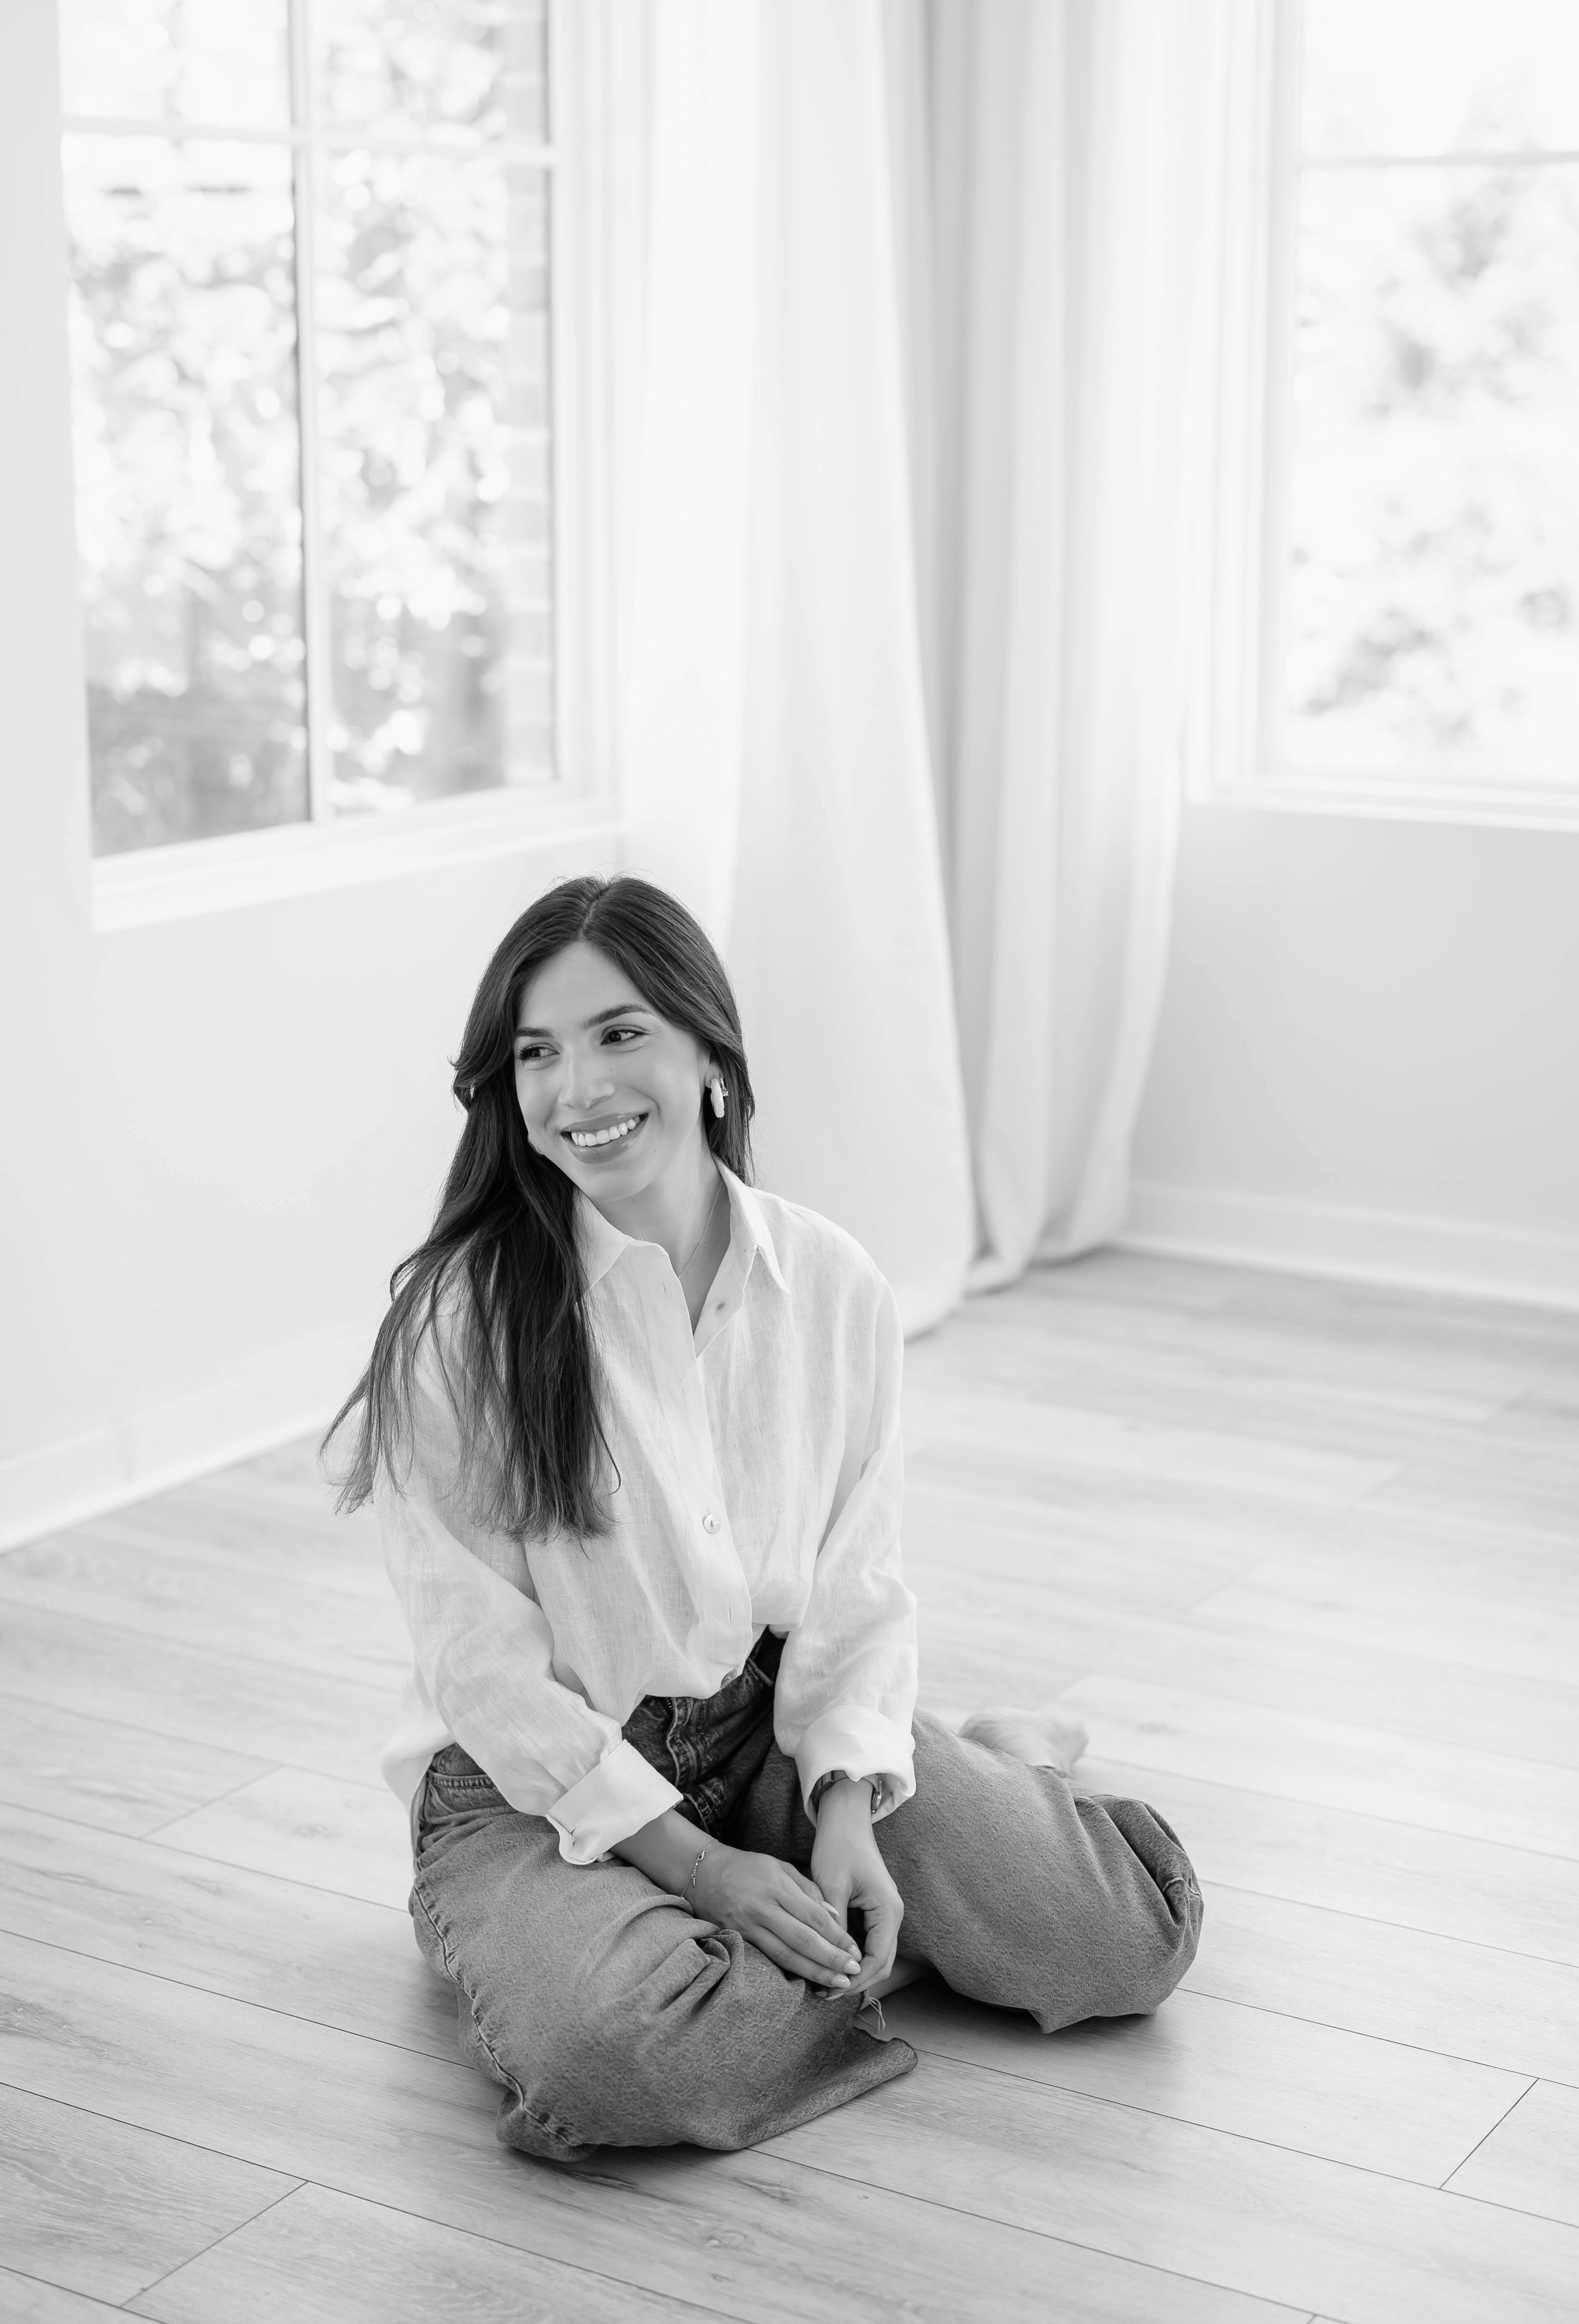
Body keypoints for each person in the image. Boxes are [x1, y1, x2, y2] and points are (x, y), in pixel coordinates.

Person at [325, 873, 1201, 2164]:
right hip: (529, 1786)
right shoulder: (462, 1324)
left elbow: (854, 1585)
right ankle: (728, 1942)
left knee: (1126, 1941)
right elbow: (484, 1675)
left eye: (619, 1034)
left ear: (710, 1060)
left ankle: (958, 1803)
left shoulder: (832, 1284)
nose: (578, 1090)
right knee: (613, 2063)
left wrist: (845, 1805)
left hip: (767, 1733)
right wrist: (697, 1870)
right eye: (536, 1053)